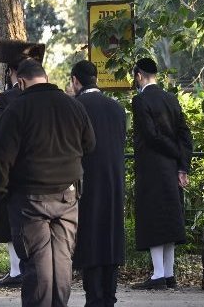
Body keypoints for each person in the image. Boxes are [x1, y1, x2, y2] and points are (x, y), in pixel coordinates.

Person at [0, 59, 96, 307]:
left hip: (30, 197)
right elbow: (90, 144)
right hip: (68, 195)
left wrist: (3, 191)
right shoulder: (74, 105)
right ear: (46, 78)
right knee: (62, 260)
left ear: (21, 82)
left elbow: (2, 158)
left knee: (38, 264)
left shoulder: (17, 110)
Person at [0, 39, 46, 288]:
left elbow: (0, 130)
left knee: (9, 218)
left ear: (12, 72)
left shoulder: (8, 97)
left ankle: (16, 270)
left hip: (14, 165)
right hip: (43, 167)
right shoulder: (49, 95)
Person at [129, 57, 193, 290]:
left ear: (138, 75)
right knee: (170, 218)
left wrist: (174, 152)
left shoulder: (140, 100)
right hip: (172, 168)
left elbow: (151, 135)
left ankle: (158, 275)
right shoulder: (171, 98)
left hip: (152, 167)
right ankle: (168, 273)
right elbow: (185, 135)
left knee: (153, 217)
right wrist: (182, 165)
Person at [70, 60, 127, 307]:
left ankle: (94, 297)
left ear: (75, 80)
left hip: (86, 181)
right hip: (114, 181)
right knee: (111, 236)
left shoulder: (76, 107)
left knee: (90, 237)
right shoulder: (116, 108)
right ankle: (109, 296)